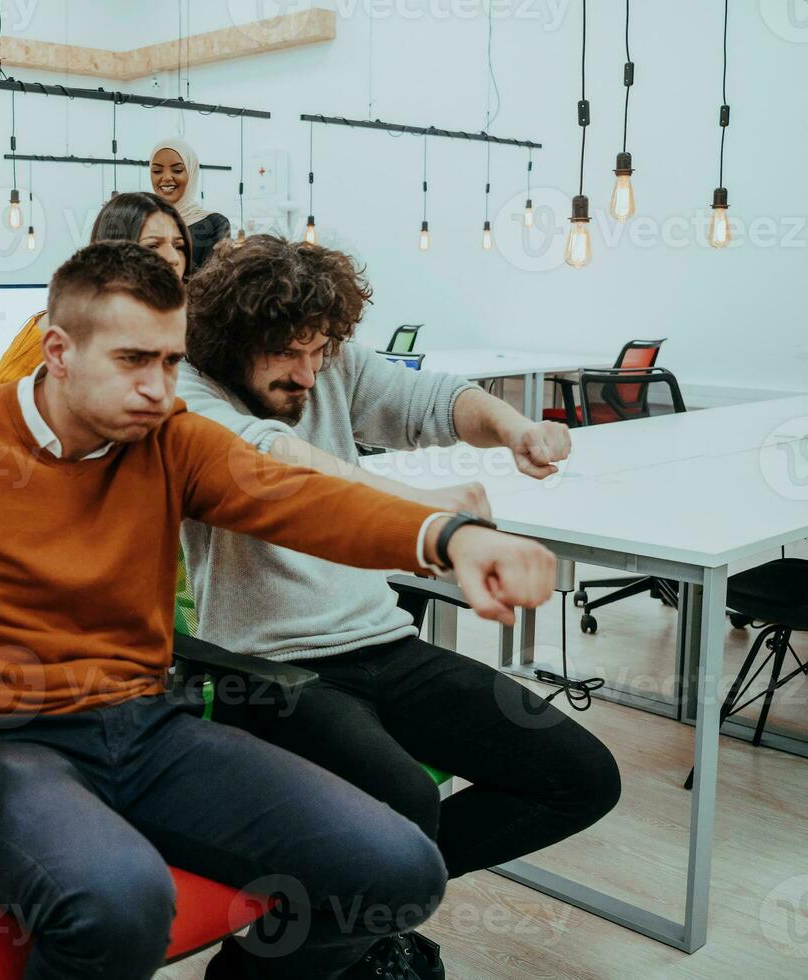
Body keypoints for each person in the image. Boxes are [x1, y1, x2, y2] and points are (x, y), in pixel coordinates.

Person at [0, 241, 558, 979]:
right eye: (134, 359)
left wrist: (444, 538)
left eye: (171, 361)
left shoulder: (171, 437)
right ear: (60, 352)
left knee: (399, 869)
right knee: (121, 902)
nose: (159, 387)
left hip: (146, 731)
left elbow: (301, 500)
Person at [179, 236, 623, 975]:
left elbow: (434, 399)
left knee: (580, 778)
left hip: (380, 643)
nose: (309, 371)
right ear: (234, 339)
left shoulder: (325, 364)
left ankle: (329, 908)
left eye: (320, 349)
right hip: (268, 669)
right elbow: (281, 467)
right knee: (406, 808)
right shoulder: (190, 396)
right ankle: (314, 933)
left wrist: (516, 430)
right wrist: (430, 516)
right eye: (290, 354)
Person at [0, 191, 192, 385]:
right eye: (152, 246)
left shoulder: (156, 323)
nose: (173, 258)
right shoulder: (66, 325)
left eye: (178, 246)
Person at [150, 138, 231, 272]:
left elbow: (213, 281)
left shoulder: (214, 224)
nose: (166, 178)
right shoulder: (143, 220)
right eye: (157, 171)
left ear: (192, 172)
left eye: (177, 170)